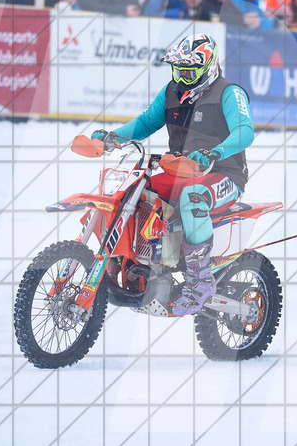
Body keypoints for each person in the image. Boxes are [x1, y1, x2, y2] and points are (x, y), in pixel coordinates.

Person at [89, 34, 255, 316]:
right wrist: (113, 137)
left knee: (193, 199)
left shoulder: (229, 92)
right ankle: (124, 261)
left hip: (224, 172)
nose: (184, 75)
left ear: (209, 65)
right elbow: (146, 122)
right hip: (180, 170)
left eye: (190, 70)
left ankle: (200, 280)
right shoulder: (171, 91)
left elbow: (245, 131)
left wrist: (215, 152)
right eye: (179, 69)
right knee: (131, 190)